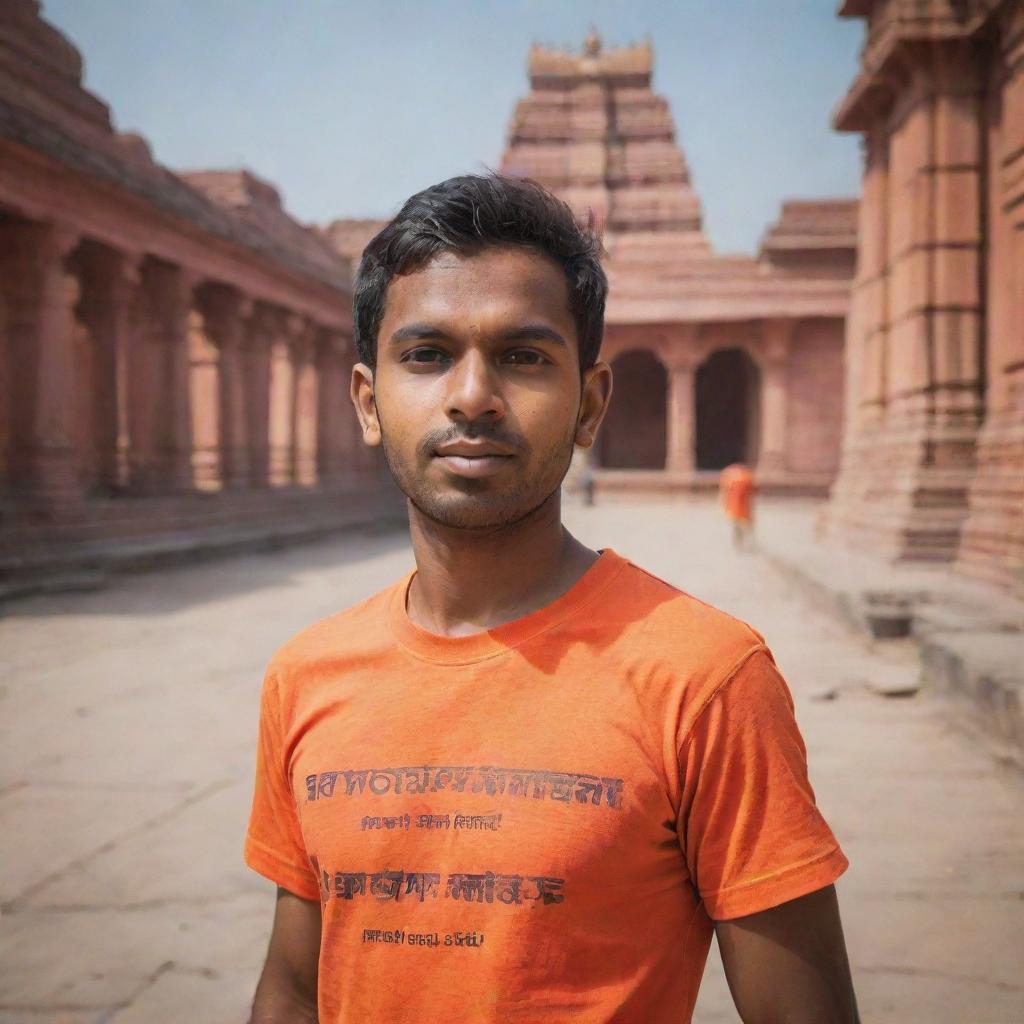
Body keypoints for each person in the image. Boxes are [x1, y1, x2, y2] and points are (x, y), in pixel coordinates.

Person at [245, 174, 858, 1024]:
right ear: (368, 401)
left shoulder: (705, 679)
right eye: (425, 355)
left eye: (524, 356)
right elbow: (291, 985)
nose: (471, 396)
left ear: (590, 404)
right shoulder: (306, 674)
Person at [720, 461, 756, 550]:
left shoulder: (731, 476)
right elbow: (752, 491)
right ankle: (742, 543)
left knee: (739, 527)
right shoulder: (746, 476)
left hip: (737, 507)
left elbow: (725, 491)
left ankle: (741, 543)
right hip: (741, 507)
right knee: (742, 527)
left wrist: (723, 503)